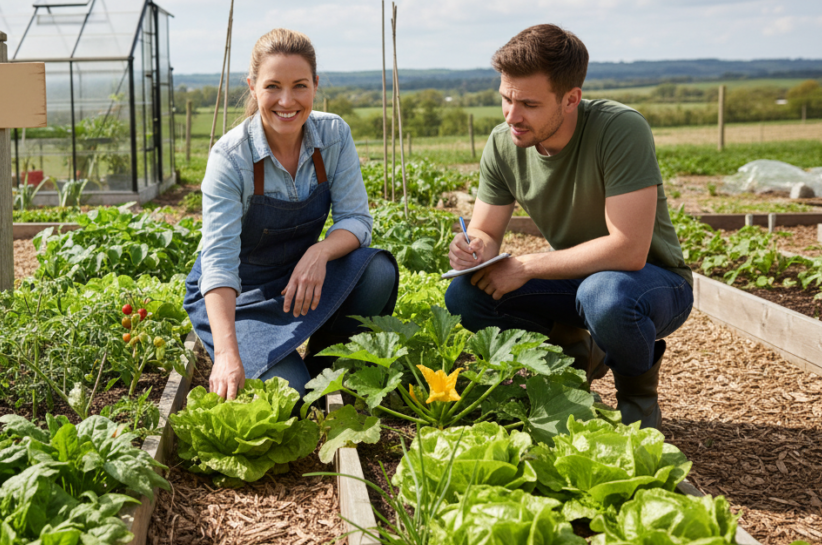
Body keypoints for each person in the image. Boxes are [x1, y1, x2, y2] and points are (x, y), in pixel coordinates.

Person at [444, 24, 693, 430]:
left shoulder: (619, 129)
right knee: (466, 295)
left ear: (571, 99)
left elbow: (628, 250)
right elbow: (486, 232)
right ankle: (576, 352)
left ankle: (638, 404)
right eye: (505, 98)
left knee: (605, 295)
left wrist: (525, 266)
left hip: (650, 282)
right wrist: (473, 247)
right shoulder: (504, 142)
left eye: (528, 104)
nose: (512, 115)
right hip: (576, 281)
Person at [184, 28, 399, 402]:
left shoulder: (333, 135)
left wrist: (319, 253)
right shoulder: (231, 158)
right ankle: (281, 367)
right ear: (253, 87)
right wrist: (227, 355)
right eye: (272, 87)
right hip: (239, 296)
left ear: (315, 84)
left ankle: (325, 361)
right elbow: (218, 263)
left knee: (377, 271)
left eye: (300, 85)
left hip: (295, 280)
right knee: (292, 395)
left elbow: (357, 221)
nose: (287, 100)